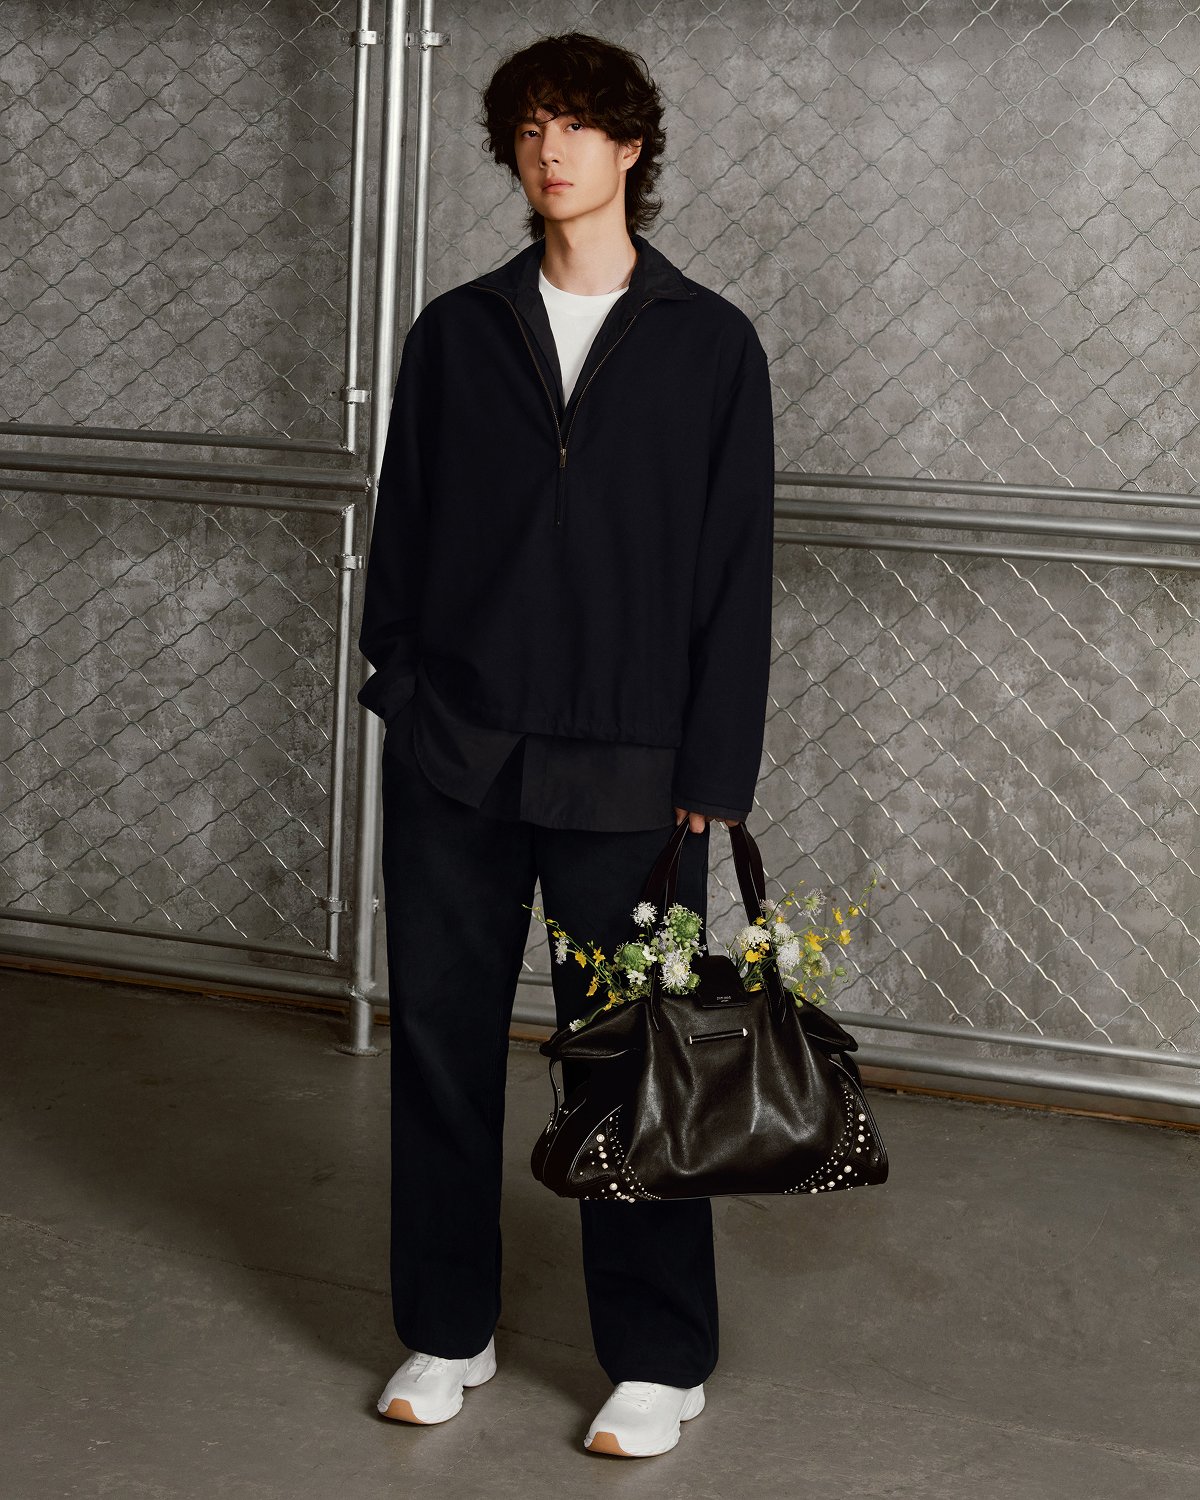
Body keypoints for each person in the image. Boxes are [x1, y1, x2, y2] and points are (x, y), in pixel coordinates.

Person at [356, 31, 775, 1458]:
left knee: (636, 1062)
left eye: (582, 126)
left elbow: (734, 569)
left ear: (630, 150)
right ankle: (446, 1329)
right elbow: (400, 531)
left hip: (633, 774)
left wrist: (714, 776)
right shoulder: (458, 332)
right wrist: (402, 693)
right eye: (532, 126)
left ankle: (658, 1359)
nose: (554, 150)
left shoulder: (710, 344)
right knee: (444, 1056)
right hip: (458, 758)